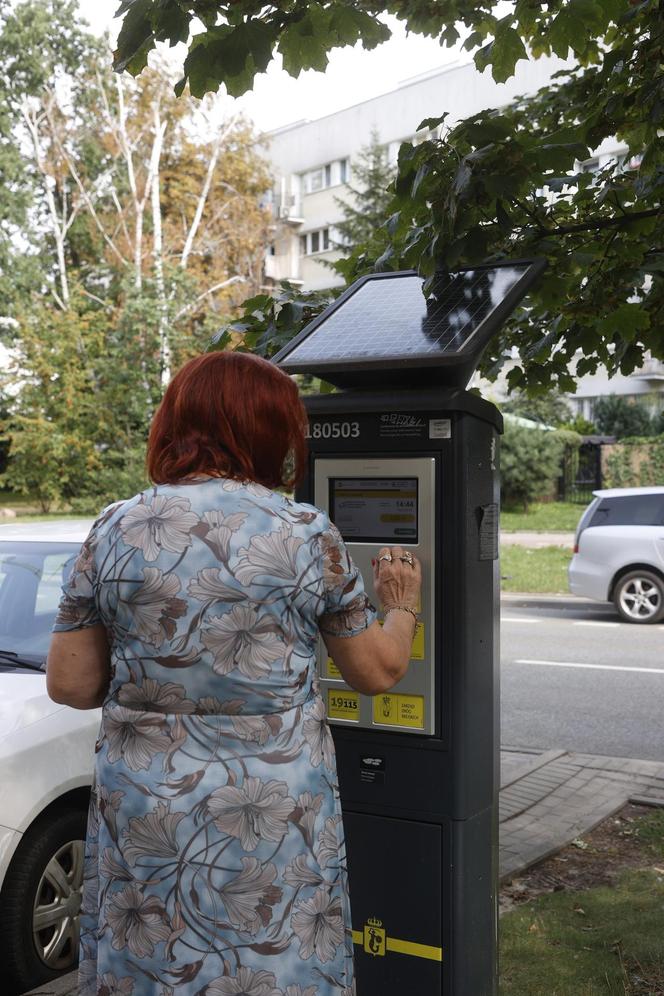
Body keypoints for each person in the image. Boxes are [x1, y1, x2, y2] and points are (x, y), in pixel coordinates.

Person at [47, 351, 422, 996]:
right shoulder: (306, 534)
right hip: (272, 814)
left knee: (156, 960)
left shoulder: (112, 527)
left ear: (175, 423)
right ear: (270, 431)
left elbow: (71, 684)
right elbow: (378, 672)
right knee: (275, 955)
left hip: (148, 810)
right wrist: (402, 605)